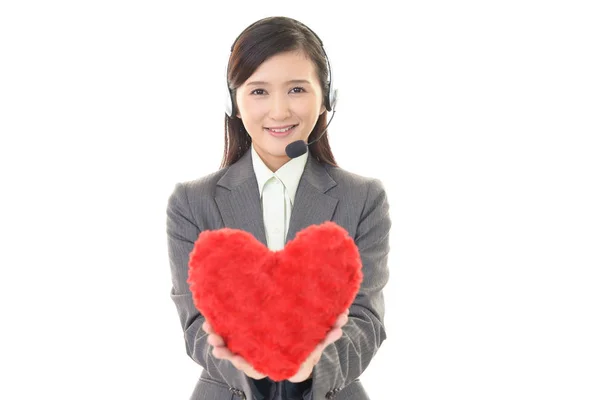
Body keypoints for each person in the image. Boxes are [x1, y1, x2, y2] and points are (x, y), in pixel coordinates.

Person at [166, 16, 391, 400]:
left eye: (297, 89)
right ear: (232, 102)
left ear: (327, 98)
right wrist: (250, 366)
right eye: (258, 92)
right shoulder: (191, 201)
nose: (279, 111)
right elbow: (195, 326)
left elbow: (366, 321)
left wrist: (309, 370)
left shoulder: (364, 197)